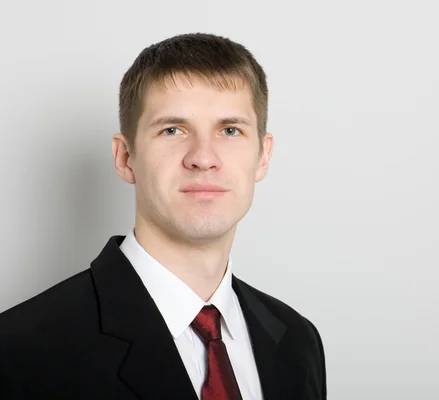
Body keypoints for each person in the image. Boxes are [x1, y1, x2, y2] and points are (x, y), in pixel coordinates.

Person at [0, 33, 326, 399]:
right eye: (173, 130)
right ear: (125, 157)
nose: (203, 157)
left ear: (262, 156)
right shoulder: (19, 350)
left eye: (230, 130)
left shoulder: (298, 340)